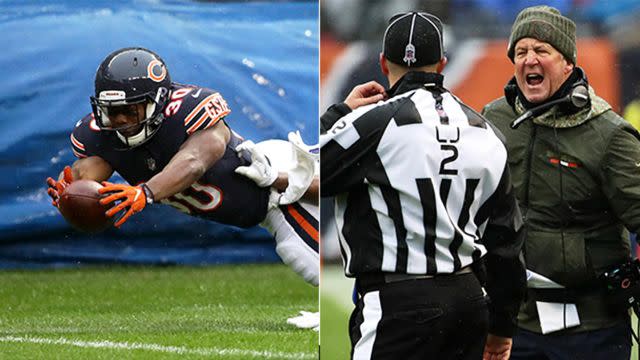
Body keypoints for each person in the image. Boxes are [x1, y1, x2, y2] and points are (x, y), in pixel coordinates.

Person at [321, 12, 526, 360]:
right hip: (469, 298)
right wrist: (503, 325)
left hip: (399, 301)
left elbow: (311, 168)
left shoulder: (373, 123)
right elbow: (506, 240)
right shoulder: (487, 132)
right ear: (443, 63)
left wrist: (339, 114)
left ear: (384, 63)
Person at [45, 47, 319, 297]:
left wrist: (146, 192)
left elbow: (195, 159)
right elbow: (86, 173)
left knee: (305, 253)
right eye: (112, 111)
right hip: (260, 206)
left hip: (275, 181)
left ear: (158, 101)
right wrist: (68, 192)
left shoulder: (189, 110)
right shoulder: (104, 136)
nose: (121, 121)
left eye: (130, 110)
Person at [482, 6, 640, 359]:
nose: (529, 59)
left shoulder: (609, 134)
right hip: (516, 325)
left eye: (542, 50)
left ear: (568, 62)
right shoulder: (493, 120)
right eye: (521, 52)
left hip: (594, 330)